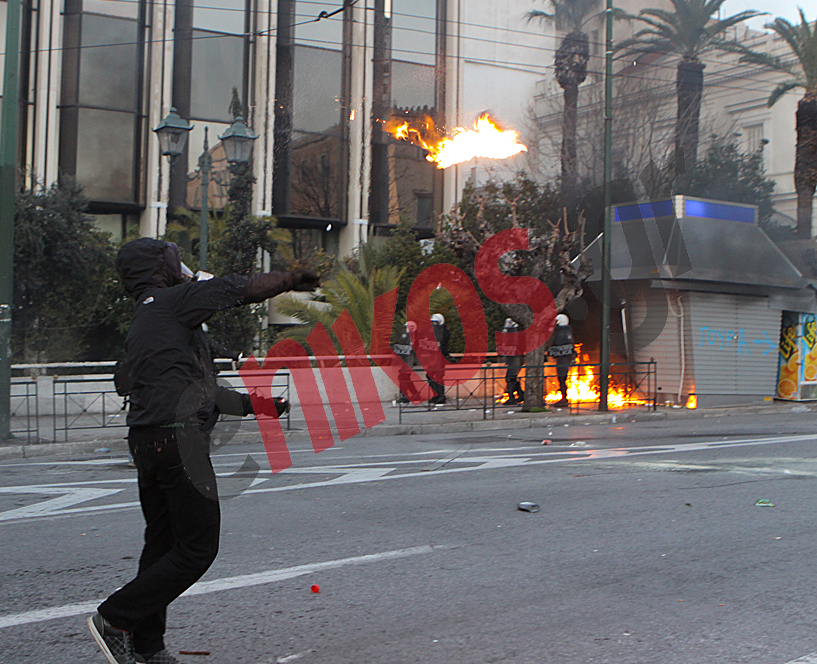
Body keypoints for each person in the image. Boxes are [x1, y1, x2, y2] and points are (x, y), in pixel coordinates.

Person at [88, 238, 319, 664]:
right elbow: (234, 288)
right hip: (179, 440)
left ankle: (147, 646)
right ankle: (114, 617)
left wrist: (258, 406)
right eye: (174, 261)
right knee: (197, 549)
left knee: (160, 548)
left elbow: (196, 388)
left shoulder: (145, 318)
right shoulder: (174, 301)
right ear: (162, 268)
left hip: (146, 441)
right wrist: (286, 280)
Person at [547, 313, 576, 408]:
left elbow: (558, 343)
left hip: (563, 358)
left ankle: (564, 398)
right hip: (564, 357)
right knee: (561, 377)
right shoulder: (568, 331)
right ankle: (564, 397)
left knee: (562, 377)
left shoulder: (562, 332)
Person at [497, 318, 524, 404]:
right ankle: (520, 395)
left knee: (510, 378)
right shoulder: (513, 335)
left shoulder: (514, 335)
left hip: (515, 361)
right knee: (512, 379)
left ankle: (514, 397)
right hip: (514, 360)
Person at [394, 321, 419, 404]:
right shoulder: (407, 336)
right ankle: (415, 394)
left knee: (403, 377)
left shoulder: (413, 336)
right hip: (405, 360)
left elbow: (412, 348)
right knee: (405, 377)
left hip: (409, 360)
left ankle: (406, 395)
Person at [428, 313, 450, 405]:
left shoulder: (443, 332)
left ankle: (441, 395)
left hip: (440, 357)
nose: (433, 324)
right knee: (430, 375)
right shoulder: (431, 332)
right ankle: (435, 394)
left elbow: (443, 344)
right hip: (432, 357)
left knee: (439, 376)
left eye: (435, 322)